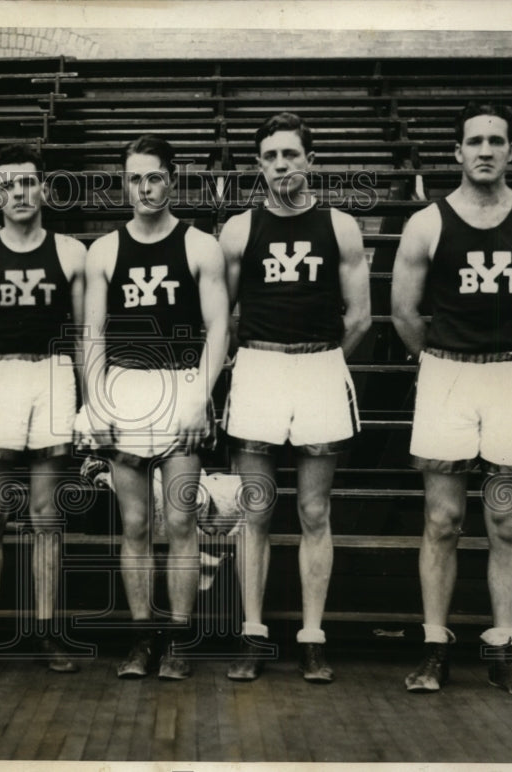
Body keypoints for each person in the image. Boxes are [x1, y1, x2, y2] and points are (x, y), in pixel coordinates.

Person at [391, 102, 512, 698]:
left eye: (497, 140)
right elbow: (404, 314)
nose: (486, 149)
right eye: (475, 141)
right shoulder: (427, 223)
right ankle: (434, 647)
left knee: (506, 524)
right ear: (457, 152)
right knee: (441, 520)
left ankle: (503, 650)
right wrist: (440, 361)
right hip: (447, 376)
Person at [219, 113, 371, 682]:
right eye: (270, 156)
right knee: (255, 510)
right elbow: (223, 316)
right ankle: (253, 633)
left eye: (290, 154)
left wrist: (321, 362)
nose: (281, 165)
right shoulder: (238, 229)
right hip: (258, 366)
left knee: (313, 510)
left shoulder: (341, 226)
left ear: (310, 159)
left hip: (319, 369)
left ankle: (312, 635)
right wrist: (256, 358)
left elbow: (360, 318)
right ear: (258, 165)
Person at [82, 134, 230, 679]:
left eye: (154, 177)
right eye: (135, 179)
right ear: (126, 183)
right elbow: (92, 335)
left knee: (182, 519)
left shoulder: (199, 246)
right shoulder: (104, 250)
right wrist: (95, 402)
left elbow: (219, 328)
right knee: (136, 523)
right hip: (125, 386)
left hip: (182, 383)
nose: (145, 189)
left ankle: (179, 639)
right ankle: (143, 637)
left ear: (171, 178)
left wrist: (201, 399)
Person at [0, 144, 87, 674]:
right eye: (8, 185)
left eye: (27, 183)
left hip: (50, 376)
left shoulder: (72, 252)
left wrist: (90, 403)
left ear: (44, 188)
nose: (19, 193)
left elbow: (84, 336)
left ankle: (46, 629)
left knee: (46, 516)